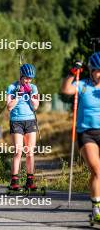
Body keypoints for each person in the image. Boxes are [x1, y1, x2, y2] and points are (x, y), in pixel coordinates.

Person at [61, 52, 100, 222]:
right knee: (97, 170)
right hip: (86, 133)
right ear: (92, 70)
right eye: (98, 70)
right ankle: (96, 210)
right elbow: (66, 89)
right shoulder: (83, 85)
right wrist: (72, 72)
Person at [6, 63, 39, 190]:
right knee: (18, 151)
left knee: (30, 152)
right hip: (16, 121)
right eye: (26, 78)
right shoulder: (11, 87)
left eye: (30, 79)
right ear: (21, 76)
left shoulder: (34, 88)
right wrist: (18, 95)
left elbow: (36, 106)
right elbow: (9, 107)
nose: (28, 81)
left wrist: (30, 95)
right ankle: (14, 181)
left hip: (30, 120)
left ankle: (30, 181)